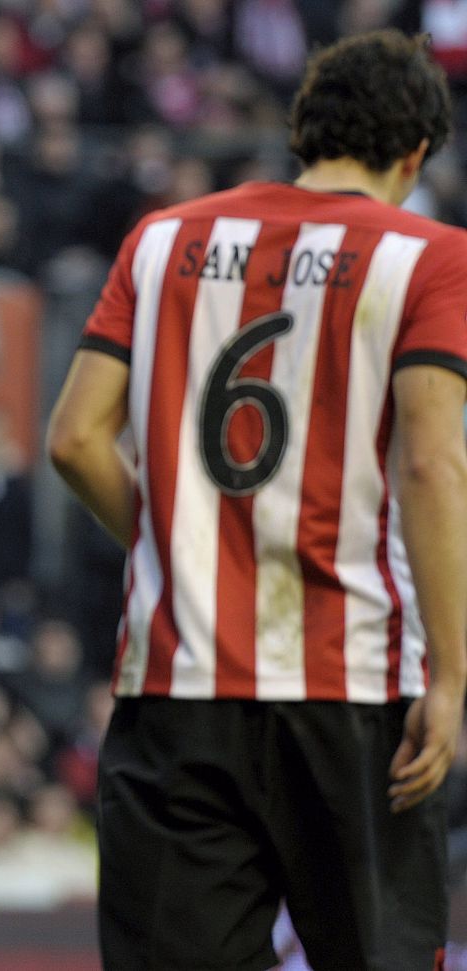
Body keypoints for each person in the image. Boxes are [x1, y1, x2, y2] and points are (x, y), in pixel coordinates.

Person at [47, 31, 466, 971]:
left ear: (303, 133)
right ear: (415, 155)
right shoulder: (432, 258)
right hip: (354, 687)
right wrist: (453, 674)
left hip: (178, 689)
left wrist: (178, 545)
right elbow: (436, 469)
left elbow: (74, 438)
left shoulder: (160, 241)